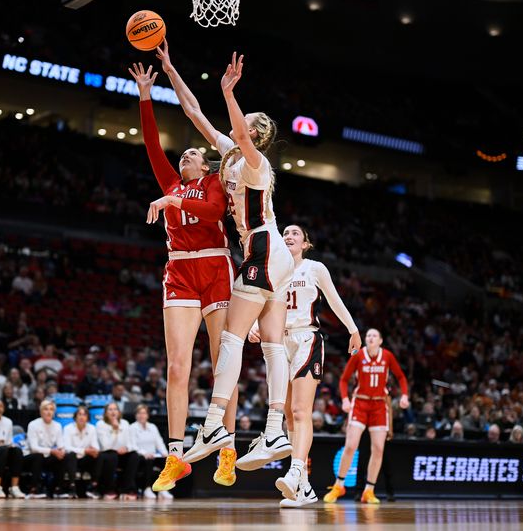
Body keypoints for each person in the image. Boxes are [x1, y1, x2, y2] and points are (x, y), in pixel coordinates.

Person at [156, 42, 294, 471]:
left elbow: (236, 131)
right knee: (271, 345)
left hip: (263, 246)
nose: (238, 122)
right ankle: (274, 429)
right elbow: (194, 112)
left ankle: (215, 424)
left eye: (245, 122)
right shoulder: (231, 154)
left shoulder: (255, 162)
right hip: (272, 254)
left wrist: (230, 93)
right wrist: (171, 67)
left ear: (253, 133)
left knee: (232, 338)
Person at [128, 61, 237, 494]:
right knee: (177, 366)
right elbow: (151, 143)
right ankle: (176, 454)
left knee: (220, 362)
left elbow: (212, 213)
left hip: (214, 266)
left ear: (203, 162)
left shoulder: (214, 182)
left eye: (190, 152)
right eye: (183, 154)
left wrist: (172, 204)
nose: (183, 155)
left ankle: (226, 447)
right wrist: (144, 95)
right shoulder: (172, 181)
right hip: (179, 271)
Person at [248, 225, 361, 507]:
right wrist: (251, 325)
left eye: (295, 233)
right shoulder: (272, 269)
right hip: (278, 342)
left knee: (300, 411)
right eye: (285, 233)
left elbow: (335, 300)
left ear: (305, 243)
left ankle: (296, 471)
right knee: (288, 415)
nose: (289, 236)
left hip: (306, 338)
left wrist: (353, 329)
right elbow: (259, 303)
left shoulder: (314, 268)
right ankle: (305, 489)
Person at [324, 329, 409, 504]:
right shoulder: (358, 355)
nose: (370, 338)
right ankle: (339, 485)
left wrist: (405, 395)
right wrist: (345, 400)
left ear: (381, 341)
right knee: (350, 445)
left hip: (379, 405)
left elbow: (401, 376)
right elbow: (343, 380)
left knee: (378, 449)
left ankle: (369, 491)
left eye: (374, 336)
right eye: (368, 335)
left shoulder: (387, 356)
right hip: (360, 404)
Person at [25, 400, 77, 498]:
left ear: (54, 412)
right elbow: (34, 448)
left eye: (51, 409)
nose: (49, 412)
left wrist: (61, 451)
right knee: (38, 456)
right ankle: (33, 489)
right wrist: (52, 451)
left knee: (64, 456)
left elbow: (61, 445)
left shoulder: (57, 426)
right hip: (32, 457)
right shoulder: (33, 424)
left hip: (48, 456)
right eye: (46, 409)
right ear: (41, 412)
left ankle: (59, 489)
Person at [96, 403, 141, 500]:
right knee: (112, 455)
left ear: (119, 412)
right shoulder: (101, 424)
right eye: (110, 409)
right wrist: (115, 430)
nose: (113, 412)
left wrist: (126, 448)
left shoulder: (125, 423)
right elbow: (106, 446)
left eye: (115, 409)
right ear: (105, 413)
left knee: (134, 456)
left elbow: (131, 443)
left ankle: (127, 489)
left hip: (122, 453)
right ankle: (109, 489)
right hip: (107, 454)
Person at [128, 404, 170, 499]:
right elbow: (133, 445)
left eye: (144, 413)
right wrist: (144, 453)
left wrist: (165, 453)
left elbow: (159, 442)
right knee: (148, 460)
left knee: (168, 460)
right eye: (139, 413)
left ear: (147, 415)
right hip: (140, 456)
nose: (142, 415)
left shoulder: (153, 427)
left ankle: (163, 489)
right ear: (136, 415)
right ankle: (147, 488)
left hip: (154, 455)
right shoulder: (132, 427)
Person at [63, 406, 103, 499]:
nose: (81, 417)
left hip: (85, 459)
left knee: (99, 455)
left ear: (88, 418)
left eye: (84, 415)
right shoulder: (68, 428)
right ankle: (72, 487)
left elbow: (96, 446)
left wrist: (93, 451)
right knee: (71, 455)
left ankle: (93, 486)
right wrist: (84, 450)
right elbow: (67, 448)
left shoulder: (92, 428)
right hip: (72, 460)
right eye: (79, 414)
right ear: (75, 417)